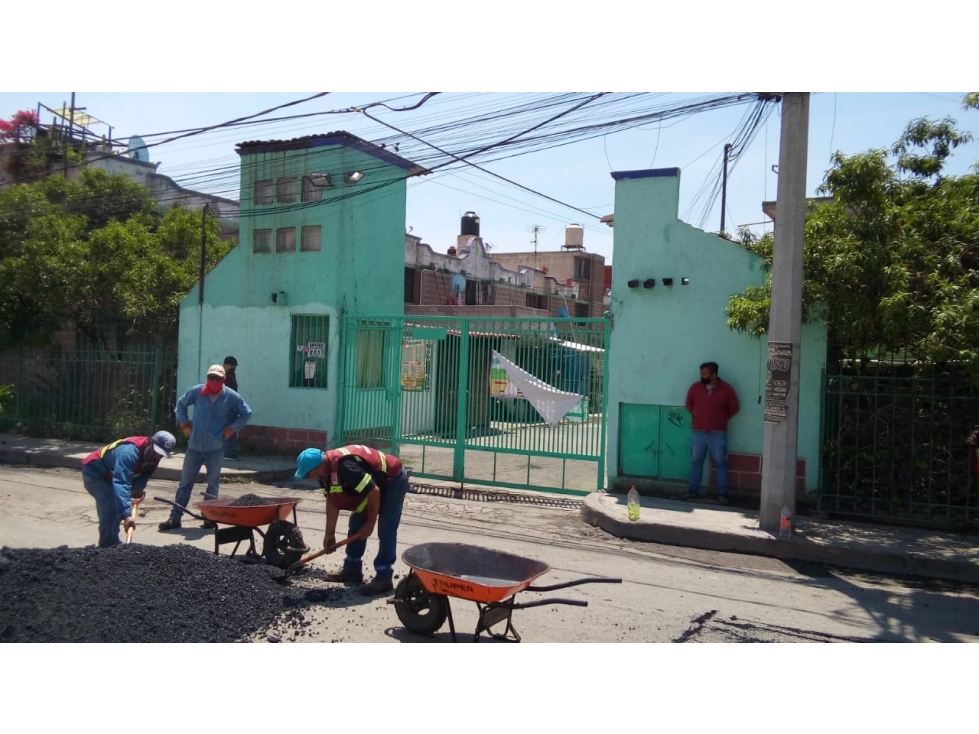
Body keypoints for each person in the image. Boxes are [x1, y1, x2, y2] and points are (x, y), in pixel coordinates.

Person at [294, 444, 409, 595]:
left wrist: (369, 524)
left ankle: (384, 576)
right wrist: (329, 534)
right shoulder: (325, 474)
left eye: (308, 474)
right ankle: (352, 570)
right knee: (356, 522)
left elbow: (373, 491)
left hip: (393, 480)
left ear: (317, 467)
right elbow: (332, 501)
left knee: (386, 528)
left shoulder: (345, 466)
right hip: (376, 483)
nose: (308, 478)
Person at [158, 364, 253, 532]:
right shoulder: (197, 391)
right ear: (207, 378)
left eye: (217, 378)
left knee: (212, 484)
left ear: (224, 379)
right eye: (211, 378)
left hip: (215, 448)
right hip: (194, 446)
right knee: (185, 483)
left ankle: (209, 518)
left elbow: (246, 413)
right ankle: (175, 517)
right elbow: (180, 405)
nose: (213, 381)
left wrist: (231, 429)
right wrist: (184, 423)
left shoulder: (231, 397)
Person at [81, 431, 176, 547]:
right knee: (112, 507)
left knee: (117, 506)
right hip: (95, 472)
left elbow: (146, 473)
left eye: (161, 454)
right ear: (150, 442)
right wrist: (127, 515)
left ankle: (111, 545)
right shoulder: (128, 453)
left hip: (111, 475)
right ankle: (107, 548)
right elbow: (121, 482)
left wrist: (138, 487)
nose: (157, 456)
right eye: (156, 452)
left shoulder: (154, 456)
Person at [684, 361, 740, 504]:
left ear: (714, 375)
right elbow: (688, 404)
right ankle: (693, 491)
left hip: (718, 433)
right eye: (701, 373)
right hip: (698, 432)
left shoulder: (726, 389)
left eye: (705, 374)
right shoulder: (695, 388)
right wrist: (698, 417)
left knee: (720, 463)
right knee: (696, 461)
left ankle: (722, 494)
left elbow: (734, 408)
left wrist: (720, 419)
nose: (702, 376)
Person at [222, 356, 240, 459]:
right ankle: (227, 452)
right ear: (225, 365)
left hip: (232, 406)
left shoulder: (232, 375)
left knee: (231, 429)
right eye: (231, 365)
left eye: (234, 365)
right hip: (224, 406)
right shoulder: (222, 376)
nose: (233, 367)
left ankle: (229, 451)